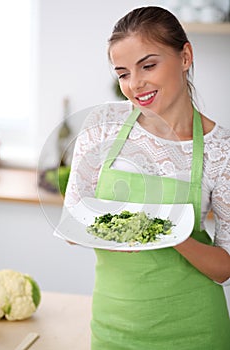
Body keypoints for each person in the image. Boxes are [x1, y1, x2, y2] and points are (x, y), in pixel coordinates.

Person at [63, 6, 230, 349]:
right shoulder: (102, 125)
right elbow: (72, 220)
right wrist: (124, 227)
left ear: (185, 57)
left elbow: (224, 267)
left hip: (195, 330)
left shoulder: (221, 149)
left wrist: (169, 232)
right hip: (113, 326)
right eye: (122, 73)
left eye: (148, 65)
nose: (135, 84)